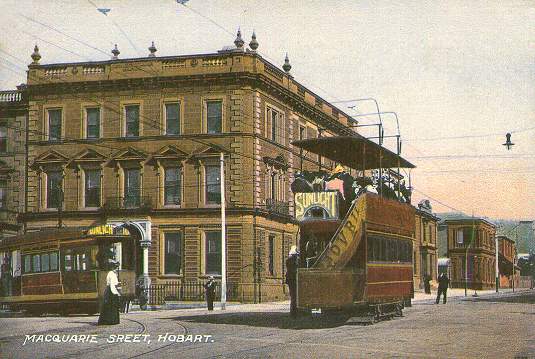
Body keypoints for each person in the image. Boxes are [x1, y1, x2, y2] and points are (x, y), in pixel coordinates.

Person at [98, 260, 121, 325]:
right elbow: (112, 285)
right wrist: (116, 293)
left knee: (107, 306)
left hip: (108, 291)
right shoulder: (112, 274)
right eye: (116, 268)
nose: (116, 269)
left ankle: (107, 320)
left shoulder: (110, 273)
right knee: (111, 306)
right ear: (113, 268)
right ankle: (111, 320)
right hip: (111, 291)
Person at [285, 245, 299, 317]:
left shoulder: (288, 260)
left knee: (293, 297)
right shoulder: (293, 261)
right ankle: (294, 312)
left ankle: (293, 312)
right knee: (294, 296)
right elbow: (294, 270)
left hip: (290, 280)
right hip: (293, 280)